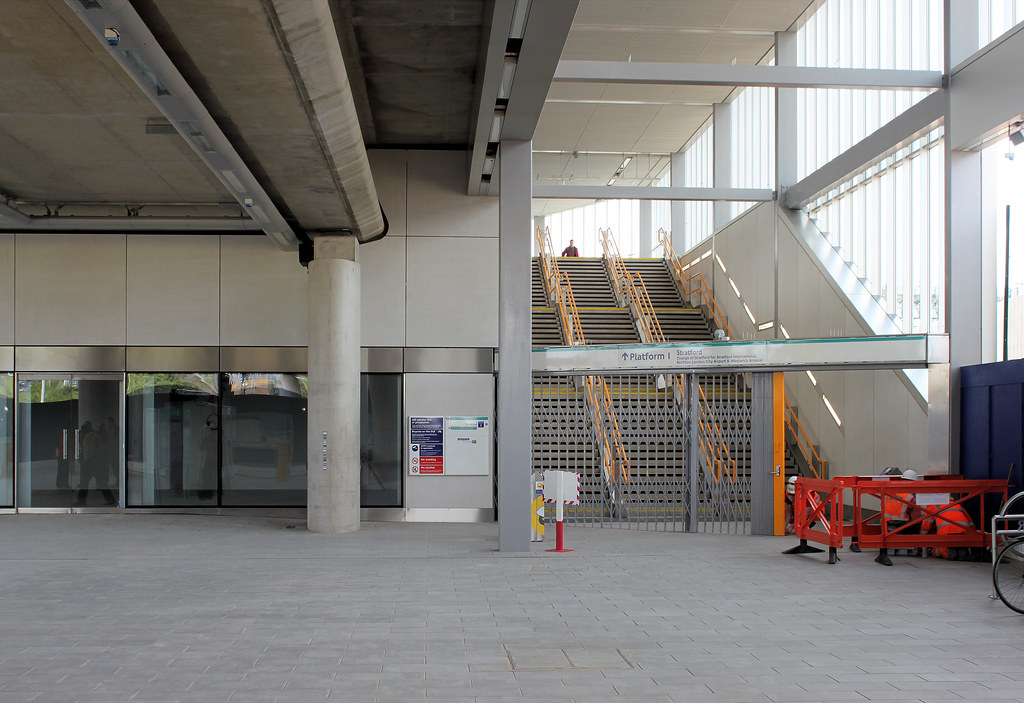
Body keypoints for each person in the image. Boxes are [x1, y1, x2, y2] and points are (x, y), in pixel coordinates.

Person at [876, 468, 923, 566]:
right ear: (914, 483)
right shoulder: (911, 498)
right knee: (921, 524)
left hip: (884, 527)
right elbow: (917, 520)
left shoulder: (890, 492)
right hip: (901, 528)